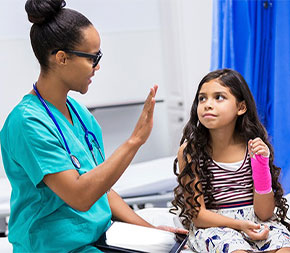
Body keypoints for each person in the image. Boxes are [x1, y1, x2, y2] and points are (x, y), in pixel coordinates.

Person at [0, 0, 186, 252]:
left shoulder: (80, 113)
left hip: (98, 238)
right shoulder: (27, 123)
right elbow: (80, 196)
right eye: (92, 57)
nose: (97, 66)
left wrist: (152, 232)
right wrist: (135, 141)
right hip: (53, 246)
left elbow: (102, 189)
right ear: (62, 58)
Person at [170, 69, 290, 252]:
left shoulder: (253, 147)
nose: (208, 104)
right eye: (202, 98)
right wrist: (239, 225)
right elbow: (198, 215)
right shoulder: (190, 151)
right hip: (214, 226)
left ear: (241, 107)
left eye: (219, 97)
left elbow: (264, 213)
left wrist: (261, 165)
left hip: (255, 222)